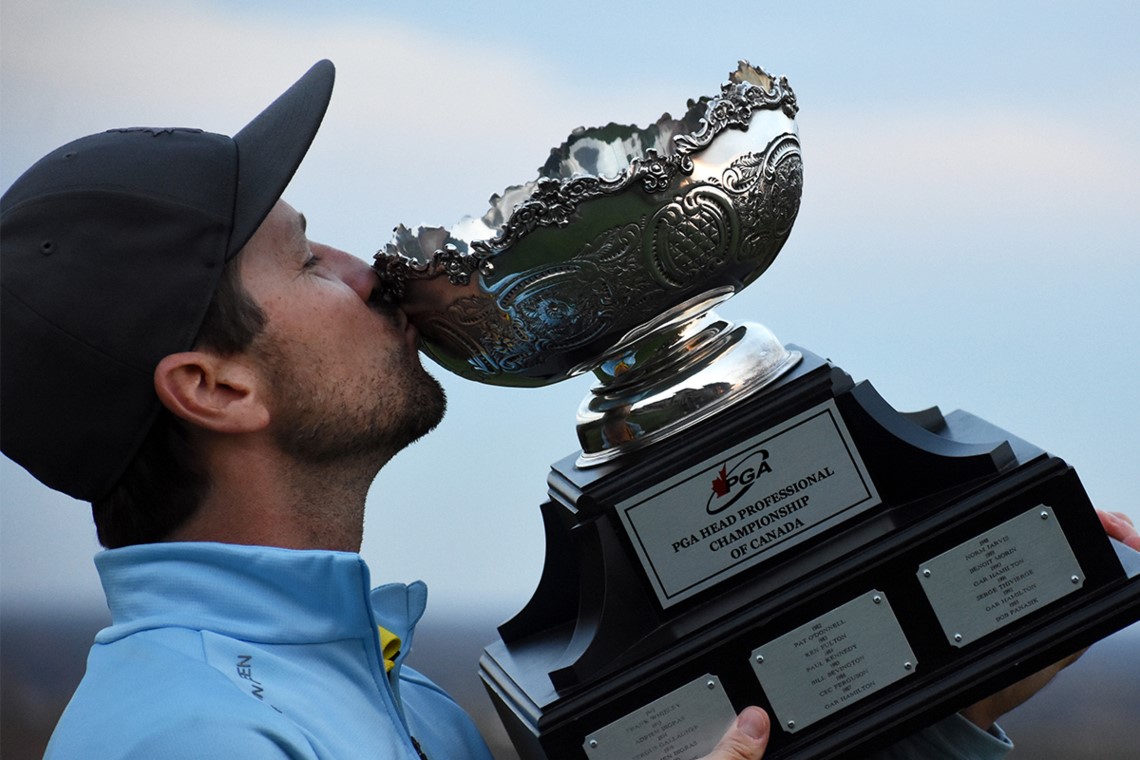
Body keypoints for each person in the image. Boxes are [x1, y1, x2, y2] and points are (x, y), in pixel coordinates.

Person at [2, 60, 1136, 760]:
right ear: (213, 386)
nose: (371, 275)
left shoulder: (388, 690)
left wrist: (944, 702)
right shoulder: (191, 735)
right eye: (307, 261)